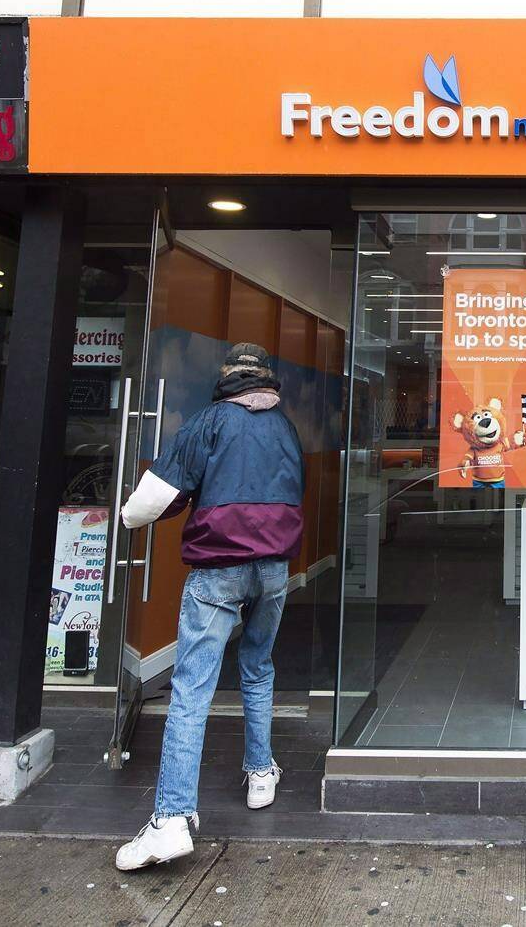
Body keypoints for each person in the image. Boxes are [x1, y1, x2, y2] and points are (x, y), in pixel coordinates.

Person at [114, 342, 304, 871]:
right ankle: (261, 773)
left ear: (226, 381)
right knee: (258, 666)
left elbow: (146, 504)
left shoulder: (209, 423)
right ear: (266, 382)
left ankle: (172, 819)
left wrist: (130, 518)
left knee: (193, 686)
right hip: (274, 569)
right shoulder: (285, 429)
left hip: (219, 570)